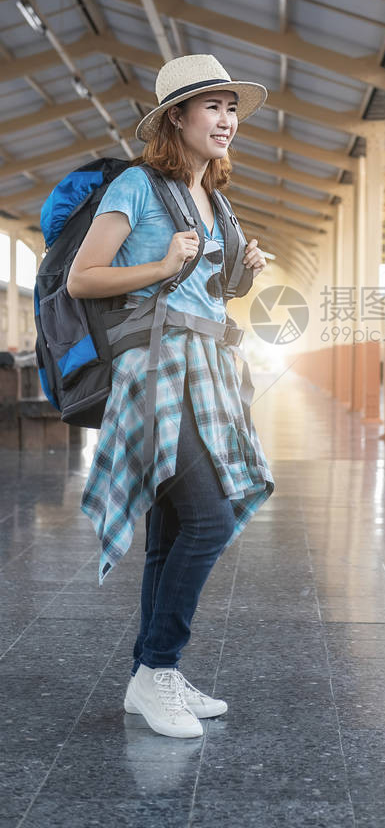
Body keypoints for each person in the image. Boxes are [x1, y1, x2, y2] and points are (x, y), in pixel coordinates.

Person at [68, 55, 276, 739]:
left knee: (173, 532)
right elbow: (84, 279)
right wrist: (162, 264)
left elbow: (209, 293)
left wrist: (242, 271)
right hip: (157, 370)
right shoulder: (137, 185)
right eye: (211, 107)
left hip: (209, 367)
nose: (227, 120)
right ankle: (158, 670)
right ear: (176, 119)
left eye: (231, 108)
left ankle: (148, 678)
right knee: (210, 521)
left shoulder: (217, 201)